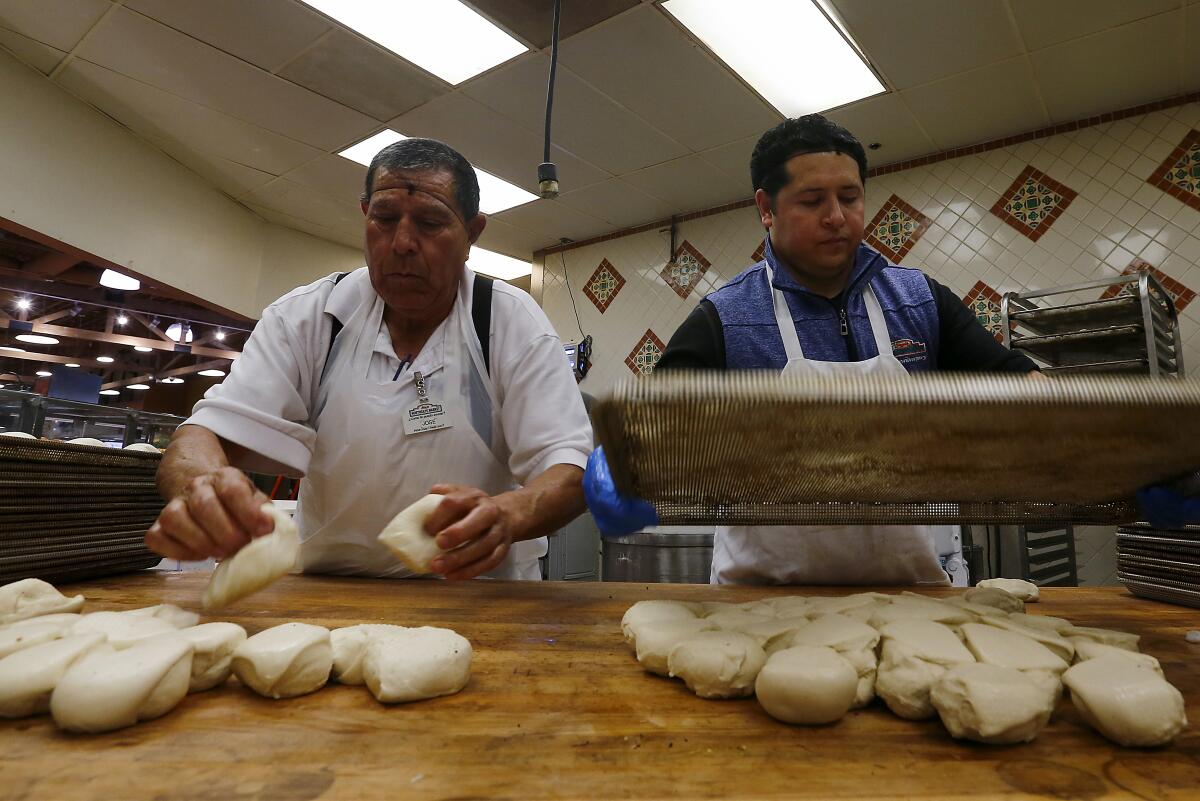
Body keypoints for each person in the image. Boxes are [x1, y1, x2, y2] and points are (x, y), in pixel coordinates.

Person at [584, 113, 1198, 586]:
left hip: (914, 589)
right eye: (812, 200)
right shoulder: (725, 317)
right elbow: (659, 427)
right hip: (764, 597)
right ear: (766, 210)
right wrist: (623, 468)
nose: (837, 217)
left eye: (849, 198)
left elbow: (1025, 393)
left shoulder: (921, 301)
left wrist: (1119, 453)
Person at [149, 138, 592, 581]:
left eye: (430, 222)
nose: (401, 243)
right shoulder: (312, 318)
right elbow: (200, 438)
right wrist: (201, 486)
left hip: (475, 597)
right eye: (384, 218)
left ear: (472, 233)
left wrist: (509, 513)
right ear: (365, 215)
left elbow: (569, 468)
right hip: (329, 595)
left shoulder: (506, 321)